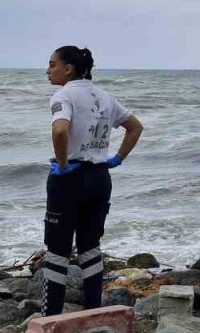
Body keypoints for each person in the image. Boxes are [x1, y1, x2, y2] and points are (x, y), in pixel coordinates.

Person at [42, 46, 144, 316]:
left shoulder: (63, 95)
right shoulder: (105, 96)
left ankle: (51, 316)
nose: (48, 70)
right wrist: (117, 158)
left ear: (69, 69)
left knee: (57, 249)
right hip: (100, 177)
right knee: (90, 246)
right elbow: (135, 127)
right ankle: (93, 311)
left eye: (52, 64)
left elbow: (60, 129)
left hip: (70, 178)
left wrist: (63, 165)